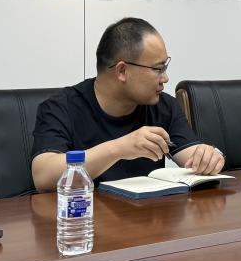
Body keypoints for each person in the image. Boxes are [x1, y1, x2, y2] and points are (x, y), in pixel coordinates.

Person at [31, 18, 224, 190]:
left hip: (149, 215)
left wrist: (207, 158)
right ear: (122, 71)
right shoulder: (61, 107)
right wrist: (120, 148)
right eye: (158, 69)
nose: (165, 78)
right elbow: (43, 177)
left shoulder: (164, 106)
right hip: (84, 214)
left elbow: (192, 158)